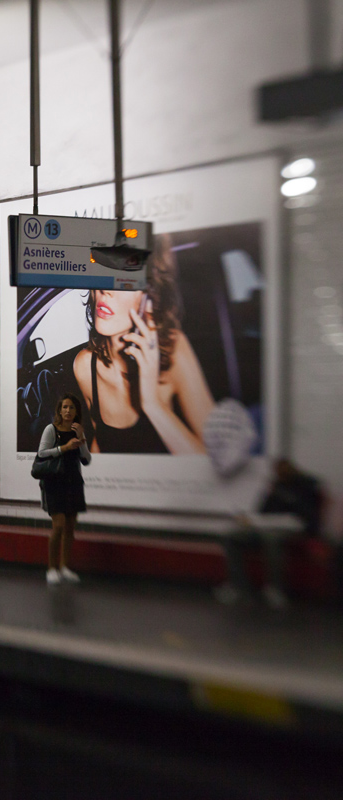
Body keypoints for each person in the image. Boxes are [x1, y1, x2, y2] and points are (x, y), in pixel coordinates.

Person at [73, 236, 214, 455]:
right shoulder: (84, 366)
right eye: (103, 270)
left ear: (151, 295)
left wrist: (153, 405)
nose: (105, 288)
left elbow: (215, 461)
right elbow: (97, 444)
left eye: (125, 277)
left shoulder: (174, 349)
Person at [216, 459, 325, 609]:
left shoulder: (306, 486)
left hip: (295, 528)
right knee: (231, 536)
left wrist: (289, 500)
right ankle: (237, 586)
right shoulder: (276, 487)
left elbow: (309, 515)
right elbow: (263, 512)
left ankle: (275, 588)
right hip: (269, 526)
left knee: (271, 539)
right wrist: (251, 519)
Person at [37, 393, 92, 586]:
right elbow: (41, 453)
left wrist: (81, 439)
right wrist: (65, 448)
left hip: (73, 482)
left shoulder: (78, 430)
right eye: (65, 407)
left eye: (72, 408)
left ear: (77, 412)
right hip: (54, 483)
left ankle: (65, 567)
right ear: (59, 410)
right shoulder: (51, 430)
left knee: (70, 528)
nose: (68, 411)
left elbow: (86, 460)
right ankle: (52, 568)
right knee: (58, 526)